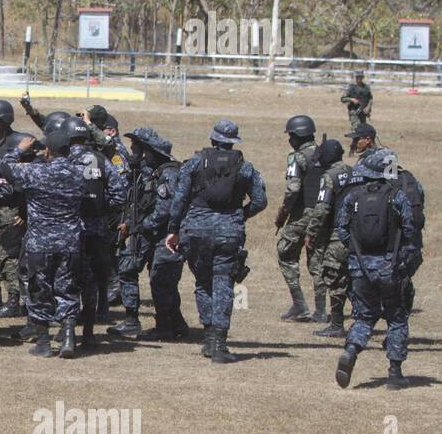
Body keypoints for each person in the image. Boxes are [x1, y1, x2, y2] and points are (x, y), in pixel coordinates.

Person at [165, 120, 267, 364]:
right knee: (223, 284)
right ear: (233, 142)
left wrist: (173, 229)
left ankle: (209, 341)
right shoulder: (245, 168)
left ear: (213, 140)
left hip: (196, 229)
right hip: (230, 232)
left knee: (202, 283)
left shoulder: (194, 164)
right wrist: (240, 214)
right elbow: (260, 201)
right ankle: (219, 344)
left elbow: (179, 200)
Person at [0, 124, 86, 358]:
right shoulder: (78, 173)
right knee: (66, 290)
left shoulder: (37, 172)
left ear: (47, 151)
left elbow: (4, 168)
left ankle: (44, 343)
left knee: (39, 290)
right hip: (70, 242)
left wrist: (17, 150)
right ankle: (68, 338)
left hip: (40, 243)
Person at [334, 148, 416, 390]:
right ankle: (394, 373)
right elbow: (410, 228)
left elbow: (342, 229)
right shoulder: (396, 196)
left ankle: (351, 351)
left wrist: (357, 252)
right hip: (390, 267)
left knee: (364, 316)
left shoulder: (353, 197)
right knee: (397, 318)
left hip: (360, 267)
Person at [113, 127, 187, 339]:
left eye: (141, 149)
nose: (137, 153)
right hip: (147, 231)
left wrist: (140, 226)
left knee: (161, 280)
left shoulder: (169, 173)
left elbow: (164, 210)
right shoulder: (150, 172)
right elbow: (140, 202)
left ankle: (164, 326)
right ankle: (174, 323)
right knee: (132, 270)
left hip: (162, 234)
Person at [65, 117, 127, 347]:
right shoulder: (101, 160)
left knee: (68, 279)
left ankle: (68, 331)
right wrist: (101, 206)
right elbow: (120, 192)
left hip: (70, 228)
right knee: (93, 277)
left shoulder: (64, 159)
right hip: (97, 228)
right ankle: (89, 330)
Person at [0, 99, 30, 318]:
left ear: (5, 121)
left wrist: (25, 211)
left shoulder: (20, 143)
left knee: (9, 258)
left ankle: (13, 301)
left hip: (11, 209)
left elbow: (33, 179)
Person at [304, 138, 355, 338]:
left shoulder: (329, 177)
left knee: (333, 277)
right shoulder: (355, 173)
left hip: (337, 234)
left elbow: (322, 209)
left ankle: (336, 324)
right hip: (356, 233)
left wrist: (311, 233)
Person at [275, 114, 322, 322]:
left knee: (285, 253)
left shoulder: (297, 158)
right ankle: (321, 310)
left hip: (302, 214)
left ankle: (300, 304)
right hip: (324, 214)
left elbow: (293, 189)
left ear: (296, 136)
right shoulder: (326, 153)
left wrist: (283, 214)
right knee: (318, 260)